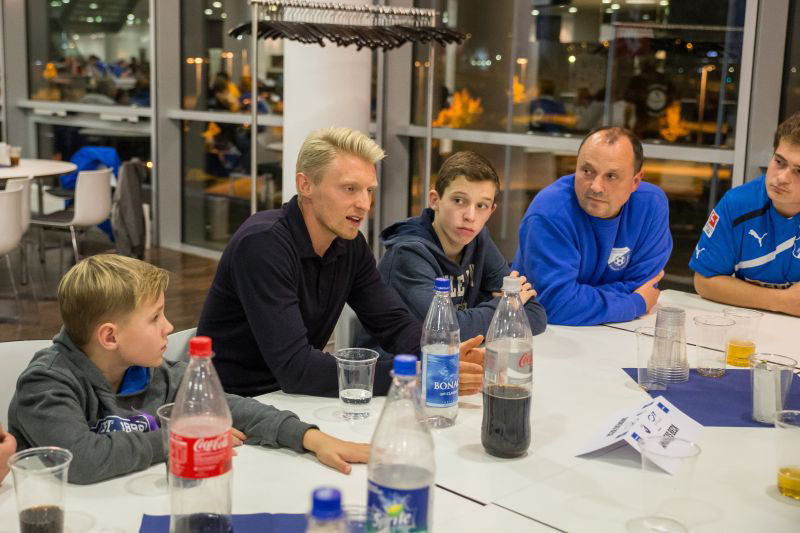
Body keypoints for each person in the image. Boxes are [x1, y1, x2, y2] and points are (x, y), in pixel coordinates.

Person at [7, 254, 369, 485]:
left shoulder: (151, 370)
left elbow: (229, 407)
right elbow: (83, 459)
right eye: (155, 318)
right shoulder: (47, 382)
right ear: (109, 336)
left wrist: (309, 437)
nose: (168, 327)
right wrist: (185, 441)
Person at [197, 127, 484, 398]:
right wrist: (416, 375)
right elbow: (297, 370)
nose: (364, 204)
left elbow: (392, 323)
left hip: (294, 398)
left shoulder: (349, 245)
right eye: (350, 189)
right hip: (234, 404)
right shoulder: (262, 244)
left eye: (369, 190)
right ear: (305, 185)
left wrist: (441, 356)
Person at [357, 150, 546, 350]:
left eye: (481, 205)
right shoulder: (408, 253)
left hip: (453, 361)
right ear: (434, 200)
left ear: (491, 211)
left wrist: (477, 317)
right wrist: (507, 306)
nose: (470, 216)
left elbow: (536, 314)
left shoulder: (478, 239)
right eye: (459, 201)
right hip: (399, 371)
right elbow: (446, 331)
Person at [512, 126, 671, 326]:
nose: (596, 186)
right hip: (552, 336)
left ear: (636, 181)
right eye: (587, 171)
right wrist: (635, 302)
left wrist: (579, 297)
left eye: (611, 176)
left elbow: (645, 283)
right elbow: (556, 305)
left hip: (622, 330)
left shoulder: (651, 204)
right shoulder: (549, 212)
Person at [690, 112, 800, 315]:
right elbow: (704, 281)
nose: (782, 178)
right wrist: (782, 301)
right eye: (779, 162)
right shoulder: (737, 203)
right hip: (749, 324)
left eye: (799, 171)